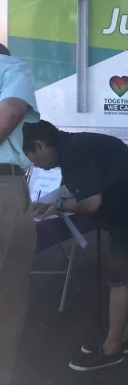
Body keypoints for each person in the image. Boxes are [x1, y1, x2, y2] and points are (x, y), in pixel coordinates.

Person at [23, 120, 128, 372]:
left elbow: (91, 203)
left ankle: (112, 350)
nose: (38, 167)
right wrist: (56, 203)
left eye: (34, 160)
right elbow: (80, 193)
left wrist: (58, 206)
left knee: (119, 277)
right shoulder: (75, 146)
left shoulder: (75, 153)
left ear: (40, 146)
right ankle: (122, 337)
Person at [0, 44, 40, 385]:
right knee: (12, 291)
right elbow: (11, 112)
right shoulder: (11, 67)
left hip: (11, 185)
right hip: (5, 185)